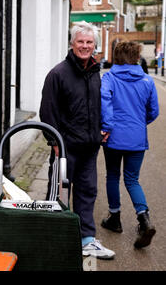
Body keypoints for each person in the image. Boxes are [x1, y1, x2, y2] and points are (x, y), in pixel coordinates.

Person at [40, 21, 115, 259]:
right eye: (80, 42)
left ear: (95, 46)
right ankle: (51, 240)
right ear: (72, 44)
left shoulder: (95, 73)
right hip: (65, 148)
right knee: (58, 193)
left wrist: (103, 129)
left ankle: (87, 240)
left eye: (89, 42)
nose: (85, 46)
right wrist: (54, 142)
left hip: (89, 147)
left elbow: (99, 105)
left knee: (87, 191)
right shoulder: (58, 74)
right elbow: (48, 111)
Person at [100, 41, 159, 249]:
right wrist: (138, 125)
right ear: (136, 57)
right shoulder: (147, 80)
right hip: (136, 139)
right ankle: (143, 218)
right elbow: (154, 111)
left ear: (116, 57)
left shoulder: (108, 77)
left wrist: (107, 127)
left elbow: (104, 103)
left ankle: (114, 218)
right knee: (132, 179)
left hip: (113, 138)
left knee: (113, 176)